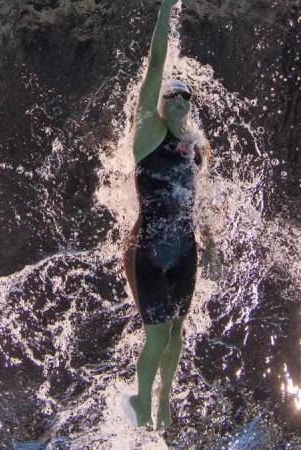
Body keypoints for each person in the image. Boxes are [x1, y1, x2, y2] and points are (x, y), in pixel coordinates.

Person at [122, 0, 217, 430]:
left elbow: (202, 202)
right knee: (157, 335)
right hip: (149, 252)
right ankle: (143, 402)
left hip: (184, 253)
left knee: (177, 333)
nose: (179, 98)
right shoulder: (148, 134)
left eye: (186, 95)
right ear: (160, 103)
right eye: (171, 94)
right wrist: (164, 8)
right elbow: (157, 61)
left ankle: (165, 397)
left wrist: (211, 241)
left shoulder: (196, 147)